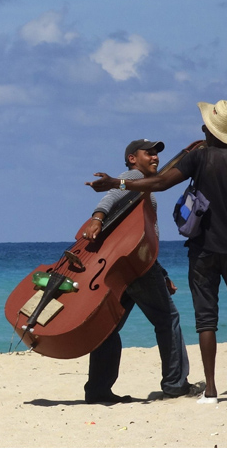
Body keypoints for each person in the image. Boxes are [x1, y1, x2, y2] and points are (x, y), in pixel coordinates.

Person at [86, 100, 227, 405]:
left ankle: (207, 391)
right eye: (148, 152)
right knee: (225, 311)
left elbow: (159, 191)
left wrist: (118, 182)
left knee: (200, 320)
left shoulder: (196, 159)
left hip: (186, 254)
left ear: (208, 129)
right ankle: (212, 375)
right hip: (223, 251)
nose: (154, 156)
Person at [83, 139, 191, 404]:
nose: (155, 158)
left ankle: (98, 389)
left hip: (124, 266)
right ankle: (175, 385)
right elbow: (110, 197)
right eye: (149, 153)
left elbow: (142, 238)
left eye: (156, 154)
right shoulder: (132, 177)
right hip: (138, 268)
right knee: (167, 320)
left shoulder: (143, 186)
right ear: (133, 158)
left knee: (109, 329)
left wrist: (162, 273)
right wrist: (97, 218)